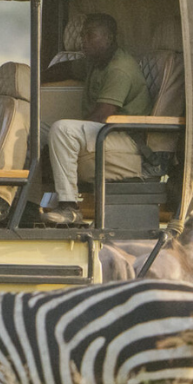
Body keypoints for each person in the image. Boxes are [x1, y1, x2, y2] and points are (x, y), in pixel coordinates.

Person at [39, 13, 152, 225]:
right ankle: (28, 203)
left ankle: (69, 207)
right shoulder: (95, 61)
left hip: (125, 138)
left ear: (108, 38)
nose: (83, 40)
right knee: (36, 130)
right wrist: (36, 77)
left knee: (62, 130)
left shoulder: (119, 68)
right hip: (105, 132)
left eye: (90, 35)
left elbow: (102, 115)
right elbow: (65, 68)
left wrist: (60, 141)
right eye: (82, 34)